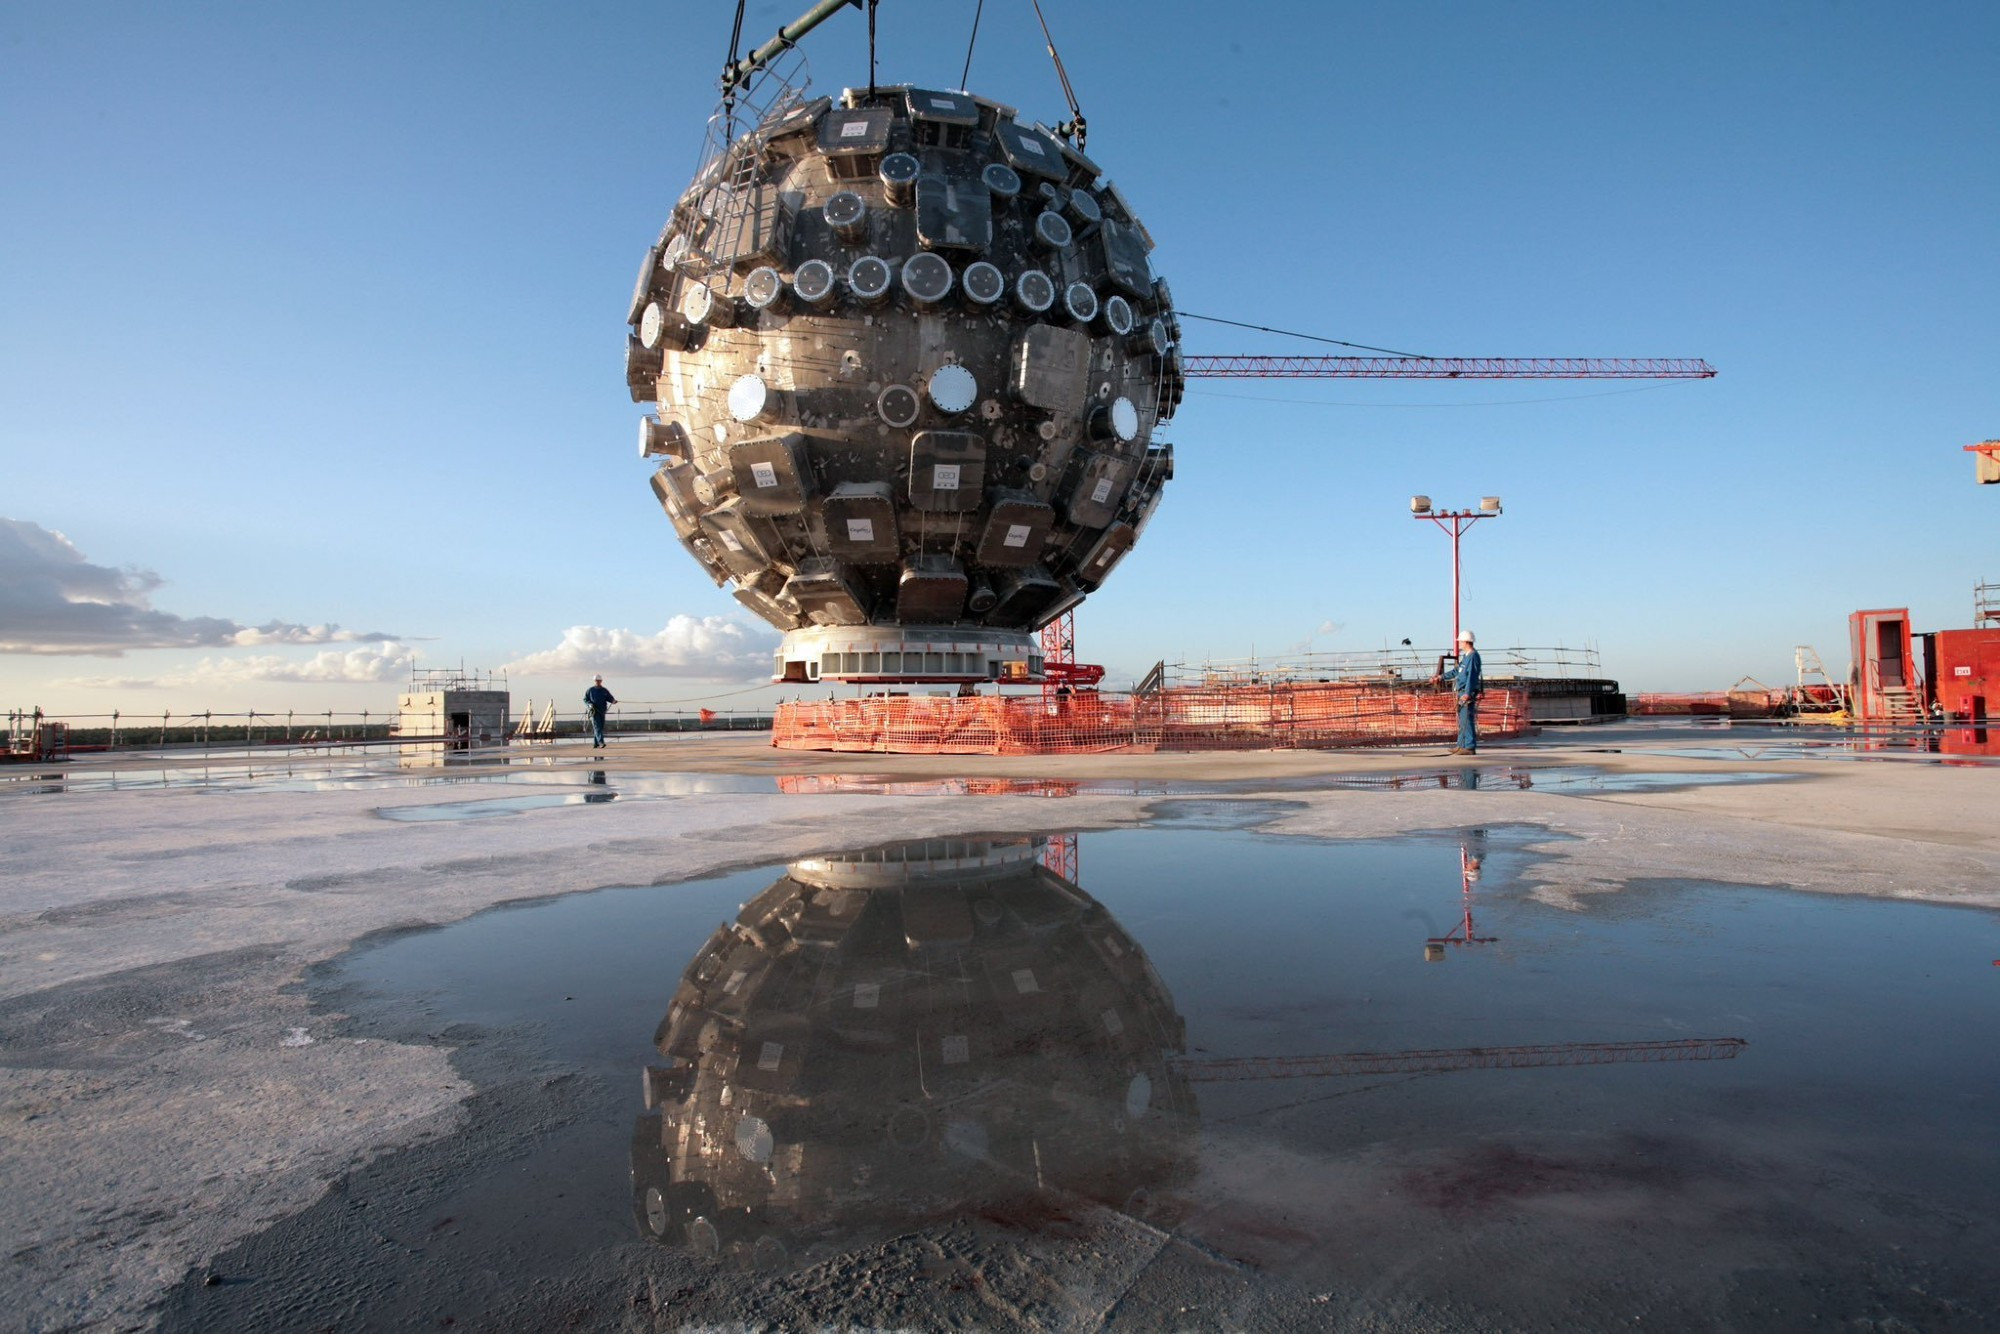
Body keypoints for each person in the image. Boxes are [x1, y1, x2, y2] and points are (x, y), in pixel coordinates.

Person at [1450, 629, 1483, 754]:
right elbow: (1456, 672)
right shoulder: (1466, 657)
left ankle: (1469, 746)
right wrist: (1440, 677)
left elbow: (1472, 677)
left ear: (1466, 641)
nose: (1459, 644)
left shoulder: (1473, 657)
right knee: (1463, 720)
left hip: (1466, 693)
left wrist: (1467, 693)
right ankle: (1461, 745)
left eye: (1460, 641)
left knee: (1467, 720)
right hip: (1462, 691)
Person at [583, 675, 617, 749]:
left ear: (601, 681)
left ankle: (596, 743)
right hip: (594, 711)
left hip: (602, 711)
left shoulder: (604, 690)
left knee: (600, 727)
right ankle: (601, 742)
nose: (598, 682)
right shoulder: (590, 690)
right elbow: (585, 699)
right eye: (596, 681)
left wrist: (613, 701)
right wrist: (590, 704)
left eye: (599, 680)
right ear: (594, 681)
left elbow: (610, 698)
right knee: (597, 726)